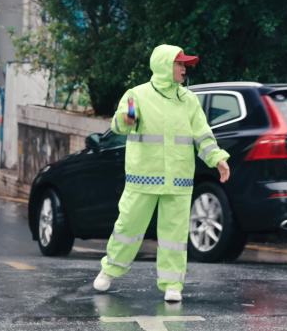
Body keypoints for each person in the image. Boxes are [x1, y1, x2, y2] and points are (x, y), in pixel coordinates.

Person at [92, 44, 231, 302]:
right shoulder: (137, 95)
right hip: (143, 177)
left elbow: (203, 134)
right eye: (180, 64)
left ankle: (172, 285)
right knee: (127, 228)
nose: (184, 69)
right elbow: (119, 124)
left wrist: (218, 158)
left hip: (178, 179)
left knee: (174, 236)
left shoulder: (188, 100)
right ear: (165, 66)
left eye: (185, 65)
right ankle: (109, 270)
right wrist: (127, 119)